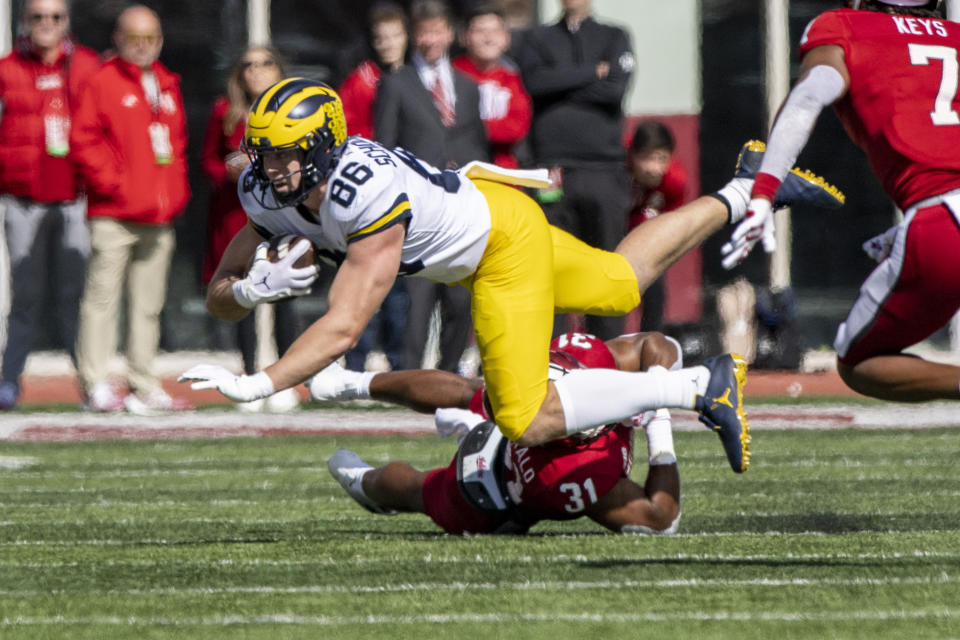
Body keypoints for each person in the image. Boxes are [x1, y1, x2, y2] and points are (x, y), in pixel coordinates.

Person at [180, 77, 841, 474]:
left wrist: (258, 382)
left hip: (496, 251)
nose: (268, 169)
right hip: (497, 214)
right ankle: (744, 186)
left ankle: (698, 385)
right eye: (262, 154)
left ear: (322, 148)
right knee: (619, 282)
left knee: (523, 416)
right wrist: (244, 292)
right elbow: (220, 292)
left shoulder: (362, 194)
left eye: (283, 155)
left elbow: (346, 323)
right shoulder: (269, 193)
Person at [722, 0, 960, 404]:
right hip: (939, 214)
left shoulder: (845, 27)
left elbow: (808, 98)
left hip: (941, 220)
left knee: (859, 360)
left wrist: (763, 191)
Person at [317, 331, 683, 534]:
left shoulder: (587, 358)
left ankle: (356, 385)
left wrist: (656, 388)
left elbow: (660, 345)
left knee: (470, 391)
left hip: (522, 448)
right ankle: (363, 480)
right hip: (492, 486)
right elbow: (661, 518)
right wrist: (659, 422)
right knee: (420, 491)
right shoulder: (567, 473)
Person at [71, 5, 190, 413]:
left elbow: (176, 146)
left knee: (148, 306)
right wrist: (116, 185)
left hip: (158, 216)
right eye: (134, 38)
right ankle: (96, 383)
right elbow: (83, 140)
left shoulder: (166, 83)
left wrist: (175, 192)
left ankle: (143, 382)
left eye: (151, 38)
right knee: (102, 302)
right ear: (118, 39)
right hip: (114, 214)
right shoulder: (101, 81)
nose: (143, 47)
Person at [373, 0, 489, 373]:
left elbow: (476, 142)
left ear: (450, 34)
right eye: (423, 31)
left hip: (459, 206)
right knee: (416, 299)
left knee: (459, 300)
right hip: (417, 207)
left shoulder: (469, 88)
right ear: (413, 35)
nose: (430, 39)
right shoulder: (395, 84)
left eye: (437, 30)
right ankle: (409, 375)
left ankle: (448, 374)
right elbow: (386, 147)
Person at [0, 0, 100, 410]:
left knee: (76, 294)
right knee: (24, 296)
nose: (47, 24)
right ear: (25, 22)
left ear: (66, 22)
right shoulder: (7, 69)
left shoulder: (89, 67)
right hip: (23, 199)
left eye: (55, 17)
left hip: (76, 197)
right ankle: (9, 382)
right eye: (38, 17)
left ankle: (91, 382)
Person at [515, 0, 634, 340]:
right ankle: (549, 357)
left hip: (603, 169)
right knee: (549, 268)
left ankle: (607, 355)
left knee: (606, 267)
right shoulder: (537, 38)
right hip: (551, 169)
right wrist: (590, 72)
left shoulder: (615, 36)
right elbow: (535, 84)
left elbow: (615, 89)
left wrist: (560, 85)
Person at [201, 46, 301, 413]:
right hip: (237, 217)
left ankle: (284, 378)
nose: (256, 71)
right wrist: (231, 168)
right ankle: (248, 374)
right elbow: (208, 163)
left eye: (265, 63)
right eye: (248, 65)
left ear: (279, 69)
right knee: (244, 292)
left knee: (284, 293)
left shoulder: (293, 111)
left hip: (284, 215)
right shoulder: (224, 113)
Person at [338, 2, 410, 373]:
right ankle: (355, 365)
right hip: (368, 195)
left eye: (394, 36)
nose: (387, 44)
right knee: (364, 281)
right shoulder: (360, 81)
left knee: (399, 288)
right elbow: (345, 134)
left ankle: (399, 365)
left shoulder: (415, 79)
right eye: (380, 38)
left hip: (406, 194)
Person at [452, 3, 532, 169]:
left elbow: (517, 128)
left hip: (504, 172)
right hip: (459, 171)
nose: (488, 39)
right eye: (480, 31)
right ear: (464, 37)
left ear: (506, 39)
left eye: (495, 31)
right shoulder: (450, 76)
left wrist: (471, 129)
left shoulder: (514, 78)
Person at [626, 121, 689, 333]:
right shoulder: (618, 169)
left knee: (655, 291)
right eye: (646, 158)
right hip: (615, 236)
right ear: (632, 155)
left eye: (661, 159)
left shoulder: (674, 180)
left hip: (646, 239)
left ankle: (650, 342)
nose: (654, 168)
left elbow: (670, 221)